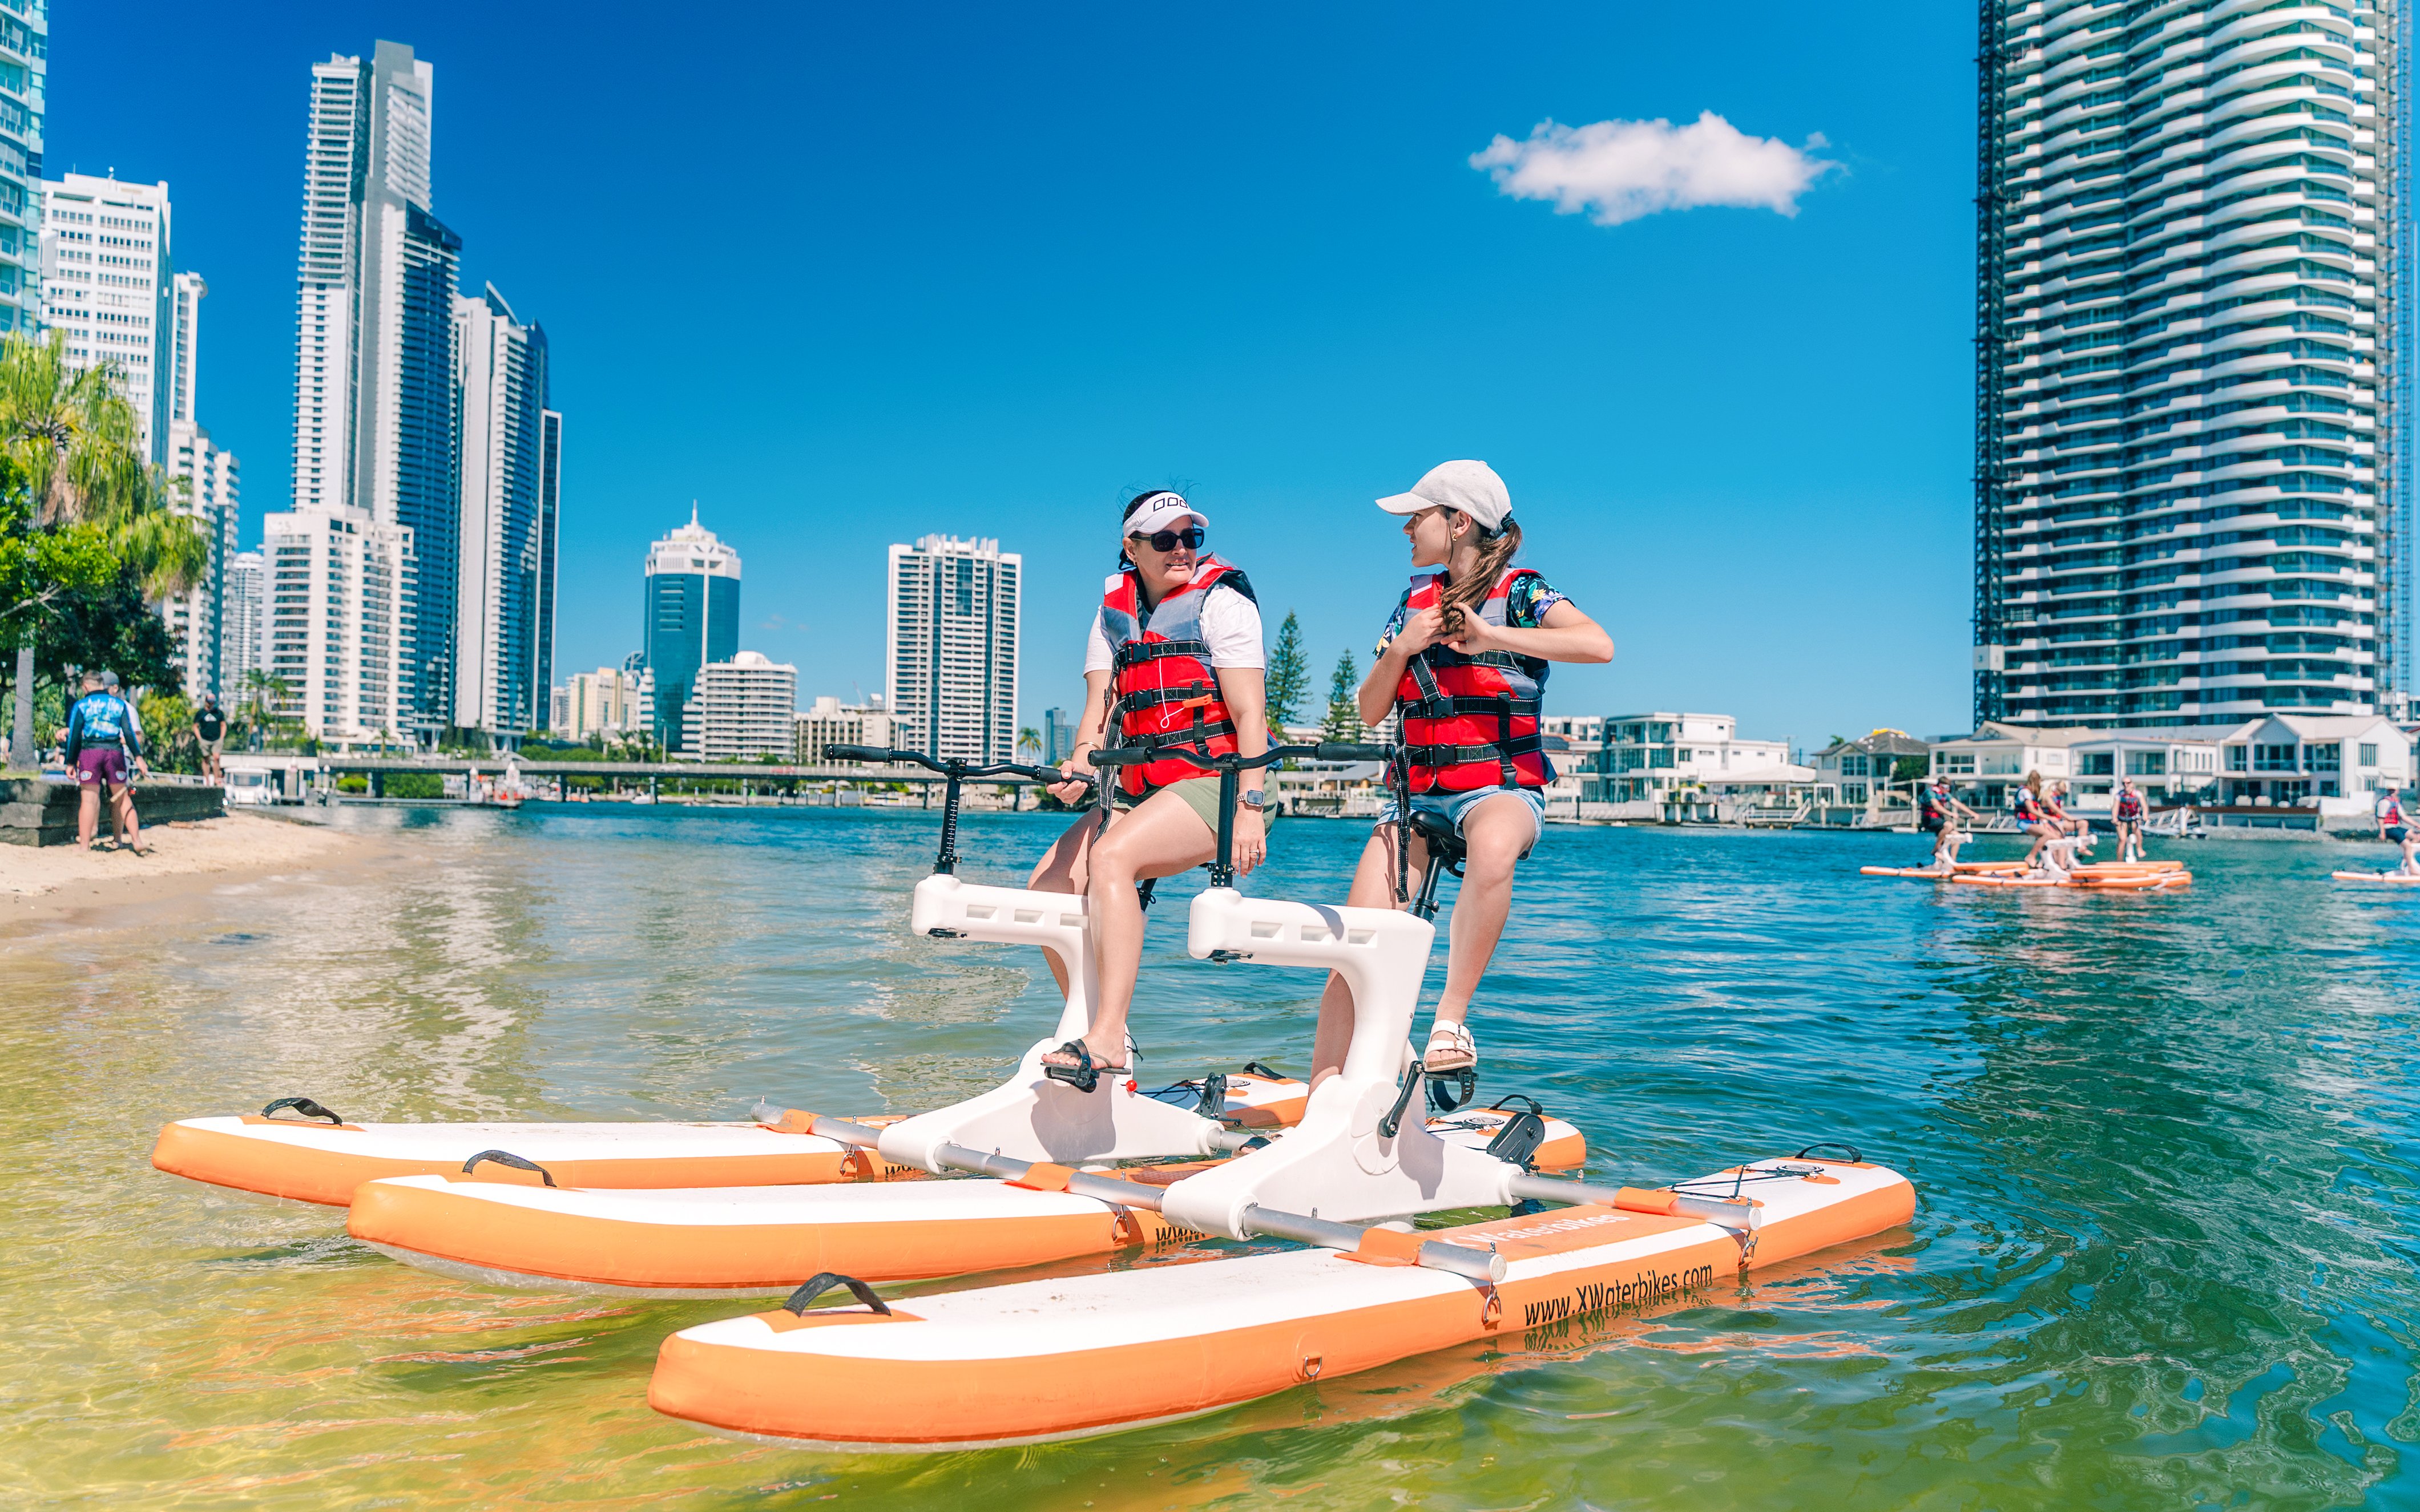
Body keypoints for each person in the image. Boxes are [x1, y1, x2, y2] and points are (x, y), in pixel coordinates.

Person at [1310, 460, 1612, 1085]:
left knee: (1494, 846)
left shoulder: (1524, 594)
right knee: (1353, 948)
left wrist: (1491, 635)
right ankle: (1323, 1103)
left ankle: (1449, 1019)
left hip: (1499, 789)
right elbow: (1370, 711)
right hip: (1415, 798)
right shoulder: (1410, 604)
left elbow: (1597, 644)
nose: (1407, 530)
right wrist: (1400, 647)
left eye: (1416, 517)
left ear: (1458, 522)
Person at [1028, 490, 1272, 1088]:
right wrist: (1080, 767)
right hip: (1139, 791)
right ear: (1130, 548)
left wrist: (1248, 809)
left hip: (1217, 785)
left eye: (1190, 537)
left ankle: (1107, 1036)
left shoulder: (1223, 602)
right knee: (1050, 885)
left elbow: (1250, 717)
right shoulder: (1113, 613)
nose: (1181, 549)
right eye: (1164, 540)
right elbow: (1097, 712)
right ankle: (1101, 1033)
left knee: (1112, 857)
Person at [63, 670, 151, 854]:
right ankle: (137, 840)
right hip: (115, 753)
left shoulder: (82, 705)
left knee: (88, 801)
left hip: (91, 753)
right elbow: (129, 733)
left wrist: (70, 762)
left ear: (86, 686)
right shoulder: (119, 705)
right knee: (124, 799)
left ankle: (84, 846)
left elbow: (74, 737)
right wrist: (139, 758)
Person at [1915, 772, 1982, 874]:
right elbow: (1936, 806)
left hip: (1939, 821)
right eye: (1945, 787)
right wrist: (1951, 814)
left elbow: (1958, 805)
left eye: (1949, 787)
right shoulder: (1931, 793)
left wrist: (1973, 814)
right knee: (1949, 825)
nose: (1947, 789)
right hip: (1929, 821)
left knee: (1957, 838)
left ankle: (1952, 864)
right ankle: (1936, 850)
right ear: (1940, 786)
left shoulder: (1945, 794)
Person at [2014, 772, 2056, 868]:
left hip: (2031, 823)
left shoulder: (2031, 794)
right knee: (2047, 835)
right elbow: (2031, 810)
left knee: (2055, 837)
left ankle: (2045, 862)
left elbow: (2038, 809)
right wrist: (2049, 818)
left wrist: (2045, 823)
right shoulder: (2025, 792)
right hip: (2024, 823)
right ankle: (2031, 856)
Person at [2378, 786, 2418, 877]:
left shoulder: (2396, 803)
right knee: (2408, 846)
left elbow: (2404, 817)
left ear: (2397, 791)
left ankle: (2407, 856)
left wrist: (2417, 825)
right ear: (2387, 791)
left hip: (2395, 827)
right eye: (2390, 790)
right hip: (2387, 829)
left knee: (2416, 836)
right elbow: (2380, 818)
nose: (2392, 792)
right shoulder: (2384, 802)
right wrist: (2382, 833)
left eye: (2394, 790)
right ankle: (2412, 869)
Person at [191, 693, 228, 786]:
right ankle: (207, 780)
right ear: (206, 702)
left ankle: (216, 779)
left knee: (216, 757)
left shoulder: (219, 713)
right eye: (209, 702)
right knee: (206, 758)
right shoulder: (201, 713)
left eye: (213, 702)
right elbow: (195, 726)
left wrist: (222, 737)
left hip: (216, 739)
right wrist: (199, 738)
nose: (211, 704)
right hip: (205, 739)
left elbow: (223, 725)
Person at [2112, 776, 2149, 862]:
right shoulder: (2119, 795)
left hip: (2133, 819)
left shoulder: (2137, 794)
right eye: (2124, 783)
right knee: (2122, 839)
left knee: (2138, 833)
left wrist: (2145, 815)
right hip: (2122, 820)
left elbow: (2144, 806)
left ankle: (2139, 849)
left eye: (2128, 783)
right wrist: (2114, 819)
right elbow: (2115, 808)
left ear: (2132, 784)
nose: (2126, 785)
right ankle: (2119, 861)